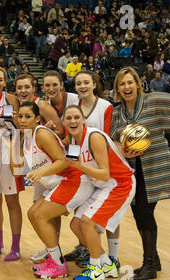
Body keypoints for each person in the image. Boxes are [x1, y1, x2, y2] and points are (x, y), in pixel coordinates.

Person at [110, 66, 170, 280]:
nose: (127, 87)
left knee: (144, 213)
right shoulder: (117, 111)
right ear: (117, 88)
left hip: (154, 167)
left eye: (130, 82)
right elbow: (114, 139)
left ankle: (149, 266)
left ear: (137, 84)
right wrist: (122, 148)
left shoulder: (153, 101)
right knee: (139, 214)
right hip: (132, 170)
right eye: (122, 83)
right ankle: (153, 258)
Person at [6, 101, 93, 279]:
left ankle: (60, 266)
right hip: (59, 183)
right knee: (32, 213)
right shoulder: (24, 138)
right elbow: (15, 170)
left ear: (37, 119)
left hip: (73, 180)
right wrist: (13, 141)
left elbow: (62, 160)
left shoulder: (42, 134)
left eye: (28, 116)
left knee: (39, 215)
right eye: (20, 116)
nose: (22, 120)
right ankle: (55, 259)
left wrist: (40, 172)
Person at [63, 105, 136, 280]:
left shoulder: (93, 137)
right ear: (64, 121)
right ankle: (106, 263)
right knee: (76, 224)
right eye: (69, 118)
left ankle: (96, 269)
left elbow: (104, 173)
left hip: (120, 184)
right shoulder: (72, 140)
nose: (73, 121)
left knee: (87, 223)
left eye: (76, 117)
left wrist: (79, 166)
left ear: (83, 119)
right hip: (102, 186)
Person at [64, 70, 119, 268]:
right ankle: (86, 248)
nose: (82, 86)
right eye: (78, 83)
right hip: (83, 169)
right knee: (81, 213)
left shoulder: (105, 106)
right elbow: (71, 139)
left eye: (86, 82)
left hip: (104, 169)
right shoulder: (74, 108)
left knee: (110, 216)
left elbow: (108, 139)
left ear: (94, 84)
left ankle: (113, 255)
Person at [0, 66, 24, 261]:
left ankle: (15, 248)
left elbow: (19, 128)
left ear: (4, 82)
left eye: (0, 79)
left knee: (12, 201)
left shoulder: (11, 100)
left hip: (8, 154)